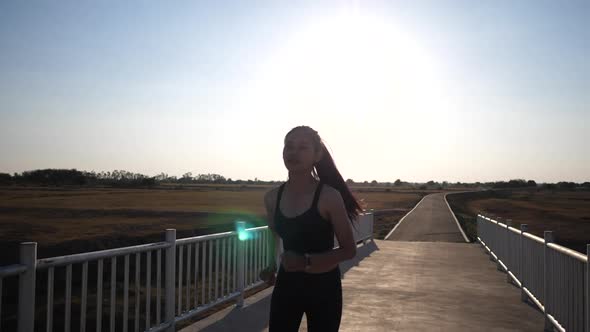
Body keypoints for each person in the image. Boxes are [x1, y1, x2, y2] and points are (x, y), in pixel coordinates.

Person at [260, 125, 362, 332]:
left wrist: (306, 261)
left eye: (302, 147)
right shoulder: (272, 197)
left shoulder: (329, 196)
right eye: (289, 147)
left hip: (324, 289)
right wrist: (271, 264)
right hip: (287, 286)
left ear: (317, 155)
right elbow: (274, 232)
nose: (293, 153)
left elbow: (349, 250)